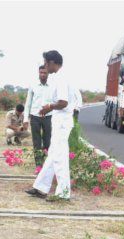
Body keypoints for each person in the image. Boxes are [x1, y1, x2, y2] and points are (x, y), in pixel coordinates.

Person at [25, 50, 77, 201]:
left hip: (62, 120)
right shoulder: (62, 77)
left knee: (60, 158)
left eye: (46, 63)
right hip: (61, 120)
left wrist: (48, 106)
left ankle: (63, 194)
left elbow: (63, 102)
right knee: (53, 155)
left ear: (53, 63)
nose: (45, 65)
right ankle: (41, 187)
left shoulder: (60, 78)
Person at [24, 65, 53, 166]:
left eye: (45, 73)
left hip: (48, 116)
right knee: (36, 142)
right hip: (35, 116)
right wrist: (25, 119)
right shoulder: (33, 85)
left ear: (48, 73)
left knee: (47, 141)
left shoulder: (53, 86)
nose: (43, 74)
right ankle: (38, 165)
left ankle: (46, 164)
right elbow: (28, 103)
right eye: (41, 72)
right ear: (38, 73)